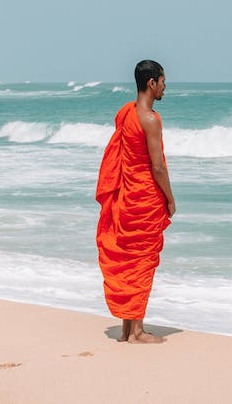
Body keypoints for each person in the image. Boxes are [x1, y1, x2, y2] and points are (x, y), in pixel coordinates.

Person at [95, 59, 176, 344]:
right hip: (145, 198)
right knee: (141, 262)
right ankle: (137, 333)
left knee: (130, 260)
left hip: (126, 197)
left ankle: (128, 327)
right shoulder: (151, 119)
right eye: (163, 81)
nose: (166, 86)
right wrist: (170, 198)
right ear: (151, 83)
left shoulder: (125, 112)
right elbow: (157, 167)